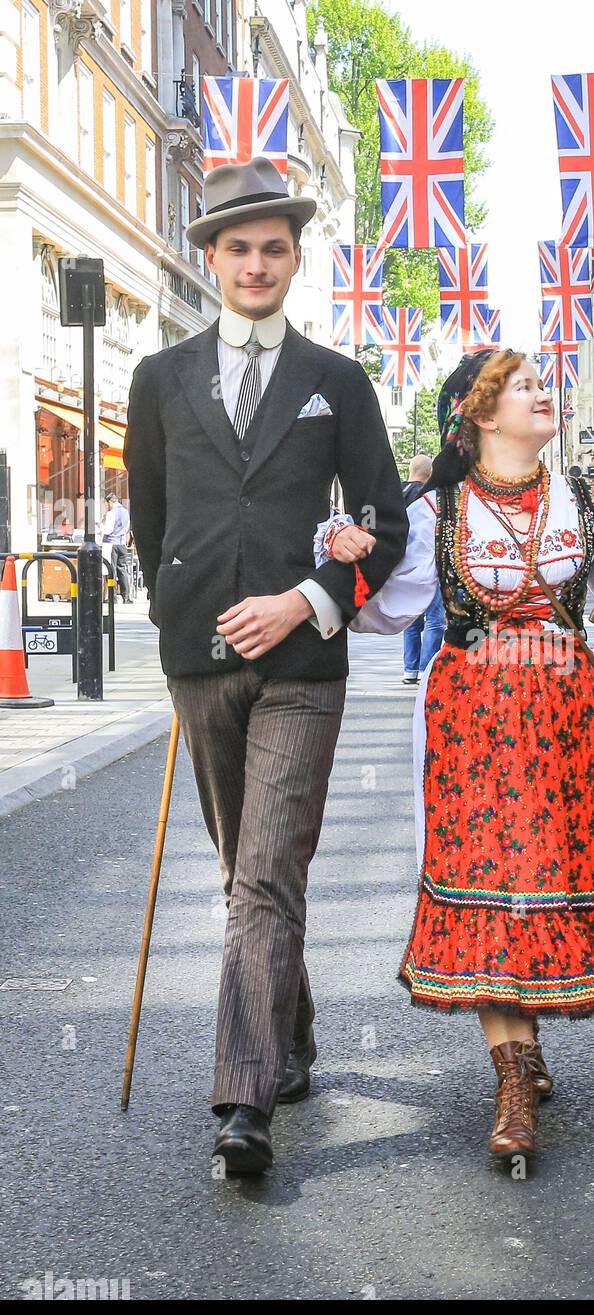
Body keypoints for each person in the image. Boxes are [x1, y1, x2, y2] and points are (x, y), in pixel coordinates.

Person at [329, 349, 594, 1164]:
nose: (545, 394)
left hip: (572, 725)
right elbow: (381, 615)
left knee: (548, 884)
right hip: (472, 722)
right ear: (480, 413)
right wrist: (347, 555)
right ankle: (511, 1073)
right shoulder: (437, 512)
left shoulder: (586, 502)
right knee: (492, 889)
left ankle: (521, 1052)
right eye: (525, 387)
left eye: (543, 383)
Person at [125, 157, 408, 1174]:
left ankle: (243, 1099)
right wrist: (175, 618)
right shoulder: (158, 377)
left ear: (294, 259)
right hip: (198, 661)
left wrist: (311, 599)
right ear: (210, 258)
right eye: (238, 247)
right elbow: (151, 517)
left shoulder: (336, 381)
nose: (256, 263)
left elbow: (385, 521)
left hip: (301, 662)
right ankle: (290, 1030)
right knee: (247, 869)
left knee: (264, 873)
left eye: (274, 247)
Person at [400, 455, 446, 684]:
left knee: (411, 619)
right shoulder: (431, 496)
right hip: (432, 562)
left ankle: (409, 668)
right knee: (435, 620)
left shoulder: (395, 494)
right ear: (429, 473)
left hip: (406, 566)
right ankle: (426, 668)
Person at [101, 492, 133, 602]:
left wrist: (100, 526)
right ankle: (126, 596)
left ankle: (112, 597)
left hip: (111, 544)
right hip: (122, 543)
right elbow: (126, 528)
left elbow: (108, 530)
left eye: (106, 504)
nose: (106, 506)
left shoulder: (111, 513)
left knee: (112, 570)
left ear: (110, 502)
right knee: (122, 569)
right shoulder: (125, 512)